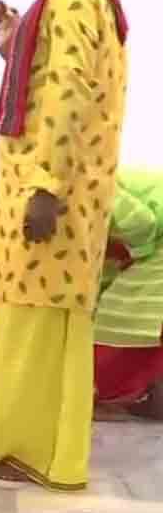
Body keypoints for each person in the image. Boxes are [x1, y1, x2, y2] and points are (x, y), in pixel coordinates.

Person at [0, 0, 129, 490]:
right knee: (34, 317)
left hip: (52, 192)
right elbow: (52, 83)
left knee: (33, 322)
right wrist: (13, 48)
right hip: (60, 185)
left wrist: (45, 187)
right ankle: (34, 446)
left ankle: (29, 449)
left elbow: (68, 94)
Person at [93, 168, 163, 418]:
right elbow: (105, 273)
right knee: (145, 320)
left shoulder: (89, 185)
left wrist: (138, 254)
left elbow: (142, 225)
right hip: (151, 239)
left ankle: (129, 391)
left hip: (152, 238)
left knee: (127, 320)